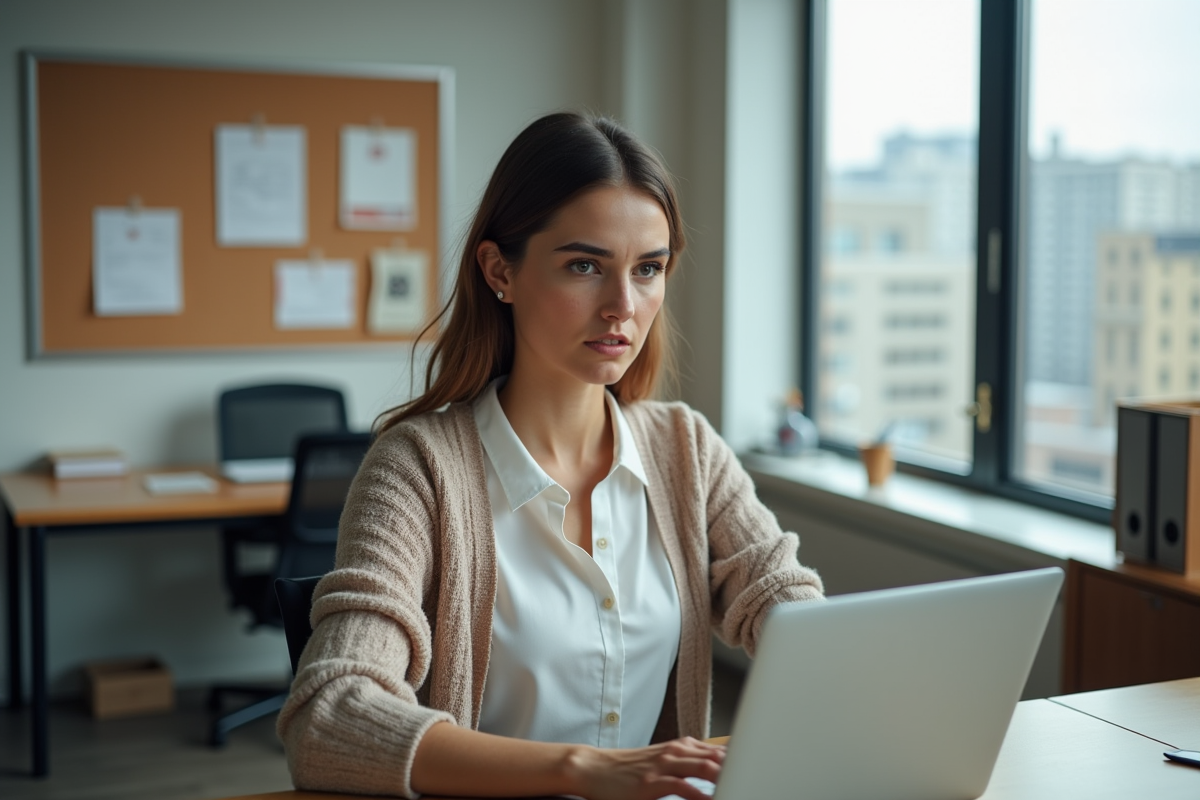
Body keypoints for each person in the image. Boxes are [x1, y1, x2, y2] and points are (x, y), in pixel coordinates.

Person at [276, 111, 824, 800]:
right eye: (584, 266)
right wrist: (581, 770)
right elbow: (330, 720)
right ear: (499, 270)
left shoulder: (686, 449)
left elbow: (781, 597)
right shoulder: (415, 469)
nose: (622, 306)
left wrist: (830, 655)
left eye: (648, 269)